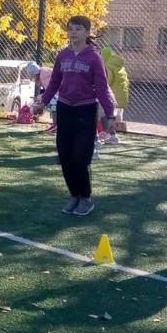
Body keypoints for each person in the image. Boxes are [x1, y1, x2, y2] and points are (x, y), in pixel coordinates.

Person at [31, 16, 116, 217]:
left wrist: (110, 115)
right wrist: (43, 102)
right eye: (71, 29)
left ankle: (85, 198)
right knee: (64, 154)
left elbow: (102, 89)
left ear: (87, 32)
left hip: (85, 109)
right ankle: (74, 195)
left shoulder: (94, 58)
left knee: (80, 156)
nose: (74, 32)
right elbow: (54, 83)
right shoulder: (62, 55)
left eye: (78, 29)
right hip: (65, 108)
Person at [99, 44, 130, 145]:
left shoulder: (108, 66)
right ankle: (111, 136)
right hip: (120, 96)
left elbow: (107, 81)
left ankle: (109, 135)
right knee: (110, 116)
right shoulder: (120, 66)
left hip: (111, 95)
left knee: (105, 115)